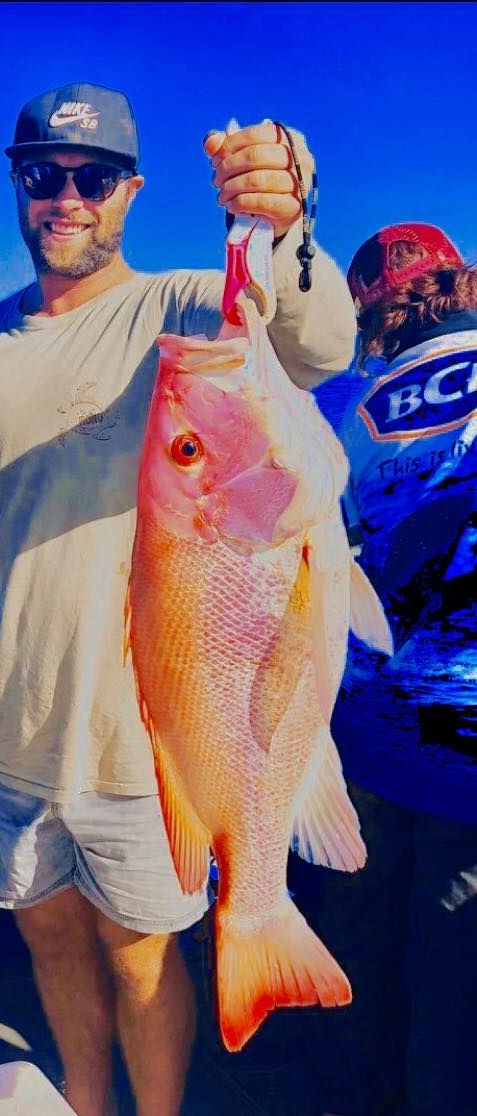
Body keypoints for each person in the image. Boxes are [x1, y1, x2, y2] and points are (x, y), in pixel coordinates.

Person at [0, 83, 357, 1116]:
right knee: (50, 939)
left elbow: (315, 345)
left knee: (141, 961)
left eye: (92, 179)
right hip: (7, 731)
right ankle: (88, 1106)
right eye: (42, 176)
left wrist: (289, 216)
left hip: (151, 749)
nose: (67, 199)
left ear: (130, 192)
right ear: (17, 185)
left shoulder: (186, 307)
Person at [305, 223, 477, 1116]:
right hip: (466, 746)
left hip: (360, 733)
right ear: (457, 281)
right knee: (453, 972)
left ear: (367, 313)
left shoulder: (340, 401)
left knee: (357, 942)